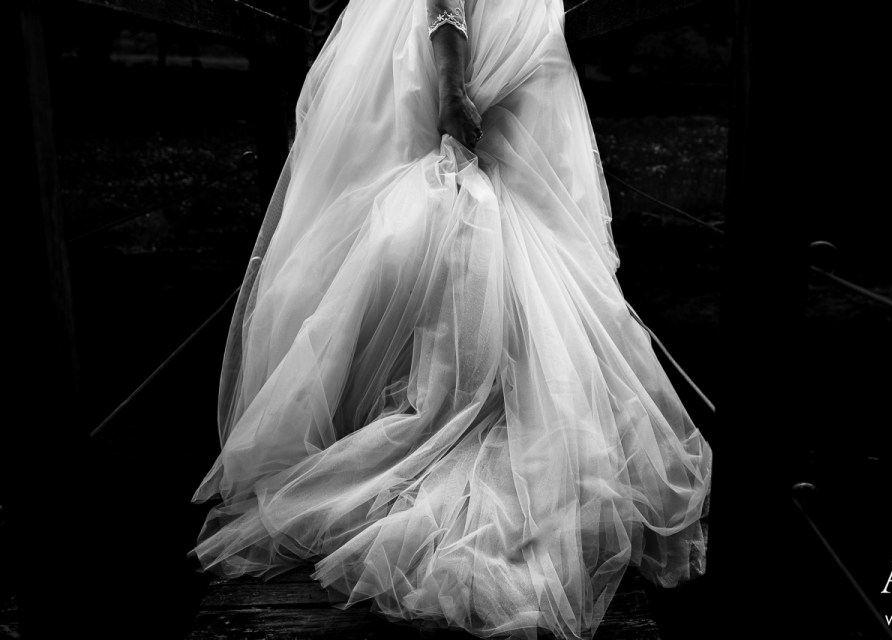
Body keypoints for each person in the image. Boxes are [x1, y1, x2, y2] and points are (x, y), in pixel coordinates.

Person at [190, 1, 712, 638]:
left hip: (503, 32)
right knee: (472, 216)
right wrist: (452, 81)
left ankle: (490, 390)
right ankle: (474, 397)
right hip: (474, 44)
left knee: (503, 224)